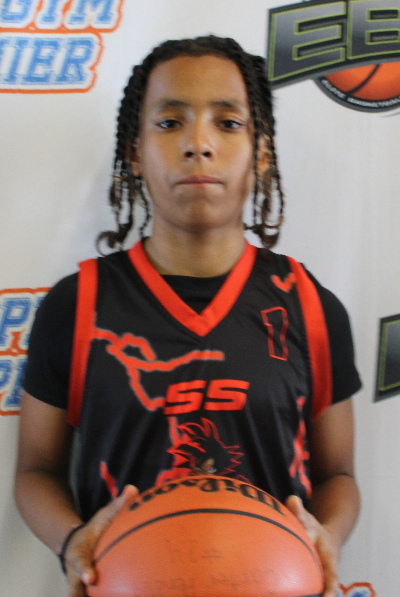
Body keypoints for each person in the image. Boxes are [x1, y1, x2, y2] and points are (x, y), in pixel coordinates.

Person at [15, 36, 361, 597]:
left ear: (261, 153)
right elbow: (36, 472)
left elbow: (338, 475)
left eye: (228, 124)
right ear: (135, 151)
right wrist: (73, 539)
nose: (198, 144)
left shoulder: (309, 306)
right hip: (129, 584)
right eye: (170, 122)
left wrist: (327, 537)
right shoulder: (77, 306)